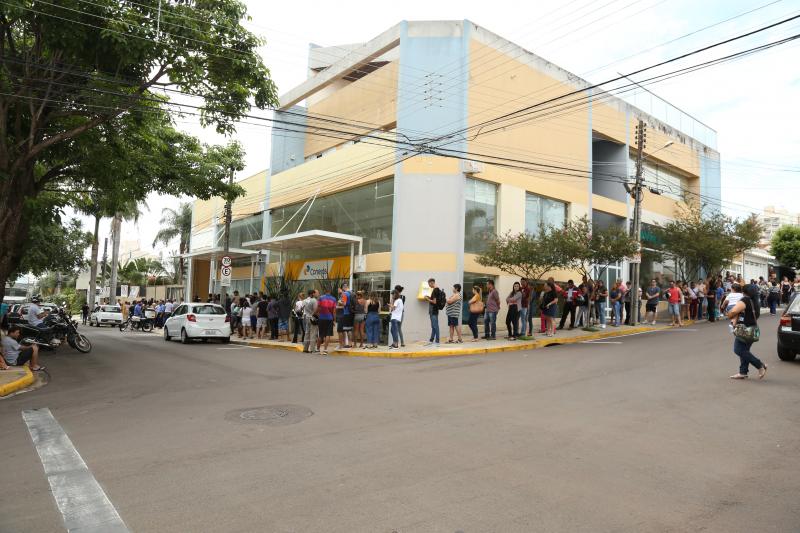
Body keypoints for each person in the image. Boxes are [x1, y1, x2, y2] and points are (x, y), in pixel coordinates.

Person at [727, 284, 767, 380]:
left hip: (744, 330)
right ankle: (743, 372)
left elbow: (733, 312)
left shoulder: (745, 300)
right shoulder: (755, 301)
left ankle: (760, 365)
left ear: (744, 292)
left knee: (738, 350)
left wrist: (729, 314)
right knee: (744, 351)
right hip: (752, 329)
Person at [316, 288, 337, 355]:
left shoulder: (321, 298)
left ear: (325, 291)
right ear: (330, 291)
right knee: (328, 334)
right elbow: (334, 311)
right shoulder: (334, 299)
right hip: (329, 318)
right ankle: (325, 349)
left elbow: (318, 308)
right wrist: (334, 320)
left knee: (321, 334)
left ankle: (318, 349)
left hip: (321, 318)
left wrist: (317, 314)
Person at [423, 278, 443, 345]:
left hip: (433, 310)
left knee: (435, 326)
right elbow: (435, 300)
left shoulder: (435, 290)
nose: (429, 286)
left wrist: (427, 299)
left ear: (432, 283)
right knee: (433, 326)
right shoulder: (438, 289)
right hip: (435, 310)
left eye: (429, 284)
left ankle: (437, 341)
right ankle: (431, 340)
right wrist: (429, 297)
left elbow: (434, 302)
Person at [337, 283, 354, 349]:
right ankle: (350, 343)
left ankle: (342, 344)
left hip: (345, 313)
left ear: (343, 287)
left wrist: (339, 302)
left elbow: (344, 304)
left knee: (342, 329)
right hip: (350, 313)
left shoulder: (344, 294)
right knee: (349, 329)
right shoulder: (351, 293)